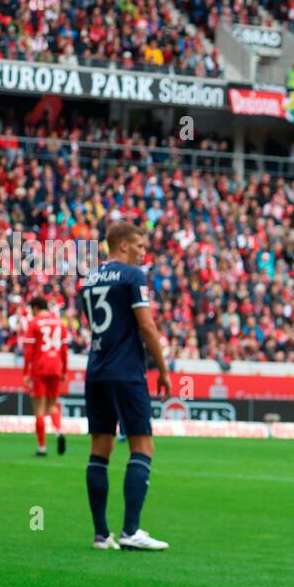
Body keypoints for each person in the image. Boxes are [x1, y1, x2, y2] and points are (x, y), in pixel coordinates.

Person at [78, 223, 171, 550]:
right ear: (121, 246)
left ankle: (101, 535)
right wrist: (162, 370)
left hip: (96, 370)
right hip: (126, 371)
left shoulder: (88, 279)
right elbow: (146, 326)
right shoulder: (132, 277)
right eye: (139, 246)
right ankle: (131, 531)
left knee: (99, 449)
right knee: (142, 447)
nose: (143, 252)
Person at [20, 295, 67, 456]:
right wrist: (64, 370)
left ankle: (42, 447)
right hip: (56, 366)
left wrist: (26, 372)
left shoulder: (34, 323)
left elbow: (29, 351)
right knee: (53, 405)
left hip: (39, 367)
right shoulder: (59, 323)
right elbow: (64, 350)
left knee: (39, 409)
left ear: (35, 308)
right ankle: (59, 431)